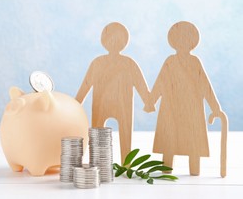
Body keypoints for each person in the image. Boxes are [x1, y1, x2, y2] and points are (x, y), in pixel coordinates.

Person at [144, 21, 225, 175]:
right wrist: (151, 101)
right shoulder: (171, 62)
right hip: (174, 108)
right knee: (171, 139)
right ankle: (171, 168)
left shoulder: (193, 62)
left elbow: (205, 85)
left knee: (192, 140)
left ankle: (193, 170)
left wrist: (215, 108)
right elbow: (161, 82)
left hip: (191, 108)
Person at [76, 22, 150, 163]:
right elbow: (86, 84)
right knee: (111, 133)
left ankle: (116, 163)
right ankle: (120, 164)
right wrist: (148, 102)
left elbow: (85, 85)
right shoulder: (127, 63)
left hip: (116, 105)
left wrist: (76, 103)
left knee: (121, 133)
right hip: (107, 105)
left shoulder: (100, 62)